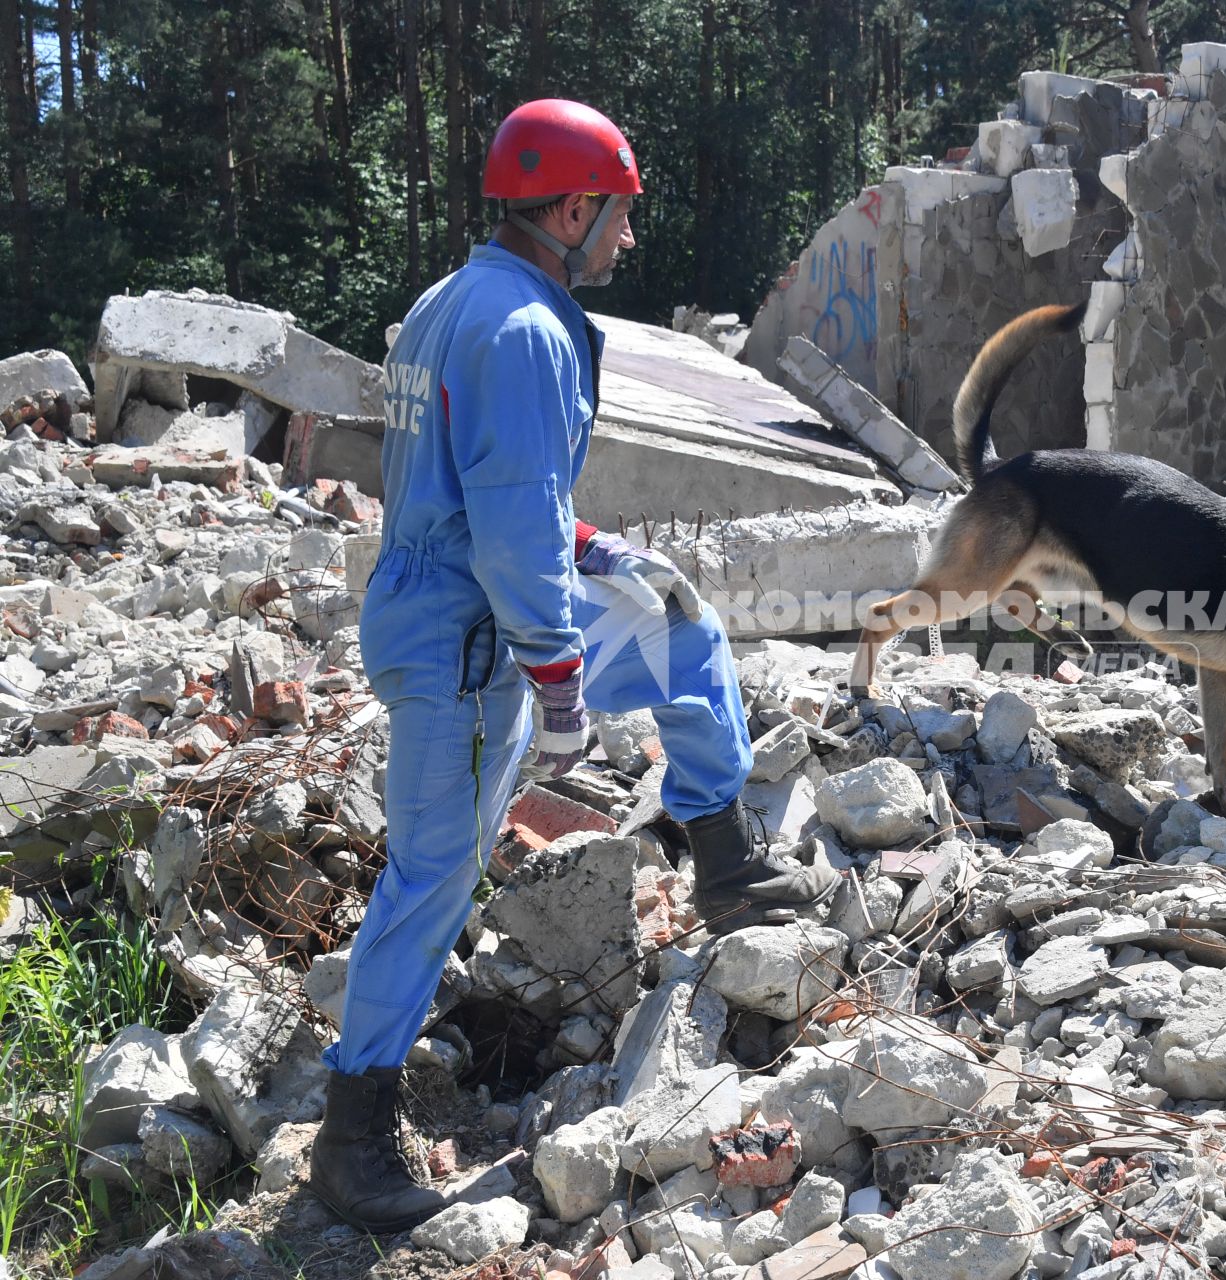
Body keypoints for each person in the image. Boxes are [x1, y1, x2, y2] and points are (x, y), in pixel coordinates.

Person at [309, 98, 840, 1234]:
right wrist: (556, 677)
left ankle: (724, 856)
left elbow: (488, 490)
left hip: (469, 603)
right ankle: (350, 1137)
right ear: (571, 205)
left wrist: (592, 553)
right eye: (621, 214)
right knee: (435, 875)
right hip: (471, 643)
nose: (629, 238)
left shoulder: (450, 301)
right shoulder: (527, 331)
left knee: (678, 620)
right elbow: (504, 529)